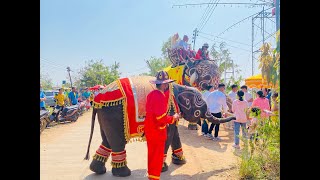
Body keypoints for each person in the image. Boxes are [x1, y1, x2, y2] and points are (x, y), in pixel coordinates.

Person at [144, 71, 180, 180]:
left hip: (150, 131)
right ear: (164, 85)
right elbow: (161, 118)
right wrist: (174, 117)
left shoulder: (151, 94)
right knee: (157, 158)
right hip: (157, 132)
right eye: (167, 84)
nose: (167, 86)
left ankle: (151, 176)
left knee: (152, 156)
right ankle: (154, 178)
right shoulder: (160, 96)